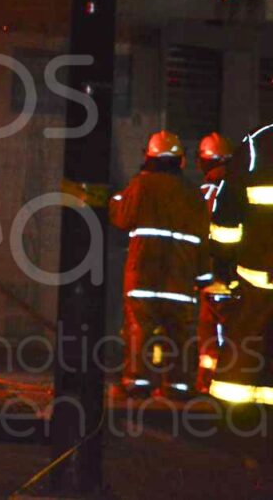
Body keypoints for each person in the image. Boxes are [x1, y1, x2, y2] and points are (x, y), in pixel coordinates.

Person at [109, 130, 208, 398]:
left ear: (149, 156)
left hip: (143, 277)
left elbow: (120, 217)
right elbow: (203, 238)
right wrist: (204, 276)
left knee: (140, 329)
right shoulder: (192, 193)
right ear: (181, 160)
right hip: (180, 278)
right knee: (181, 333)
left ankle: (137, 382)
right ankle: (178, 386)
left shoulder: (140, 185)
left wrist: (116, 197)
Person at [208, 123, 273, 406]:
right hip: (257, 269)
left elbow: (226, 215)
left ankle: (234, 412)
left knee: (246, 338)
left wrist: (225, 267)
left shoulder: (258, 144)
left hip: (257, 271)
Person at [194, 132, 235, 393]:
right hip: (238, 274)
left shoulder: (205, 194)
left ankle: (208, 380)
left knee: (211, 331)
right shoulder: (238, 189)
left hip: (212, 273)